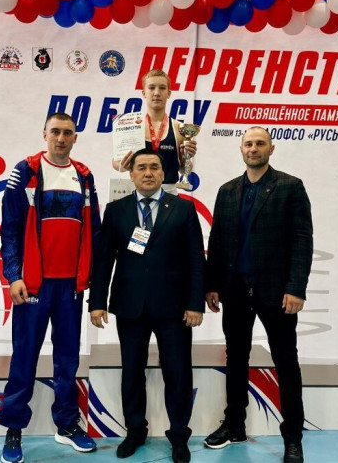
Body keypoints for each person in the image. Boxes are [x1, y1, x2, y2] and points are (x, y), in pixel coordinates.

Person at [203, 127, 313, 463]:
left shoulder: (290, 186)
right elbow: (217, 241)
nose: (253, 148)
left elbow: (302, 240)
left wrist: (295, 288)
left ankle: (292, 437)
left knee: (286, 363)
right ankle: (234, 425)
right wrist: (212, 284)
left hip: (277, 293)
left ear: (271, 149)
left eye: (260, 143)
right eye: (248, 143)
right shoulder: (227, 191)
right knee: (236, 359)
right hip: (235, 290)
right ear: (241, 149)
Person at [89, 148, 205, 463]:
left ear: (163, 173)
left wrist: (195, 304)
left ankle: (179, 435)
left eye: (154, 167)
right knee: (131, 372)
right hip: (130, 306)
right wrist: (97, 302)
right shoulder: (116, 210)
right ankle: (135, 431)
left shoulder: (183, 209)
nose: (148, 172)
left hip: (174, 308)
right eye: (141, 167)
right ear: (132, 174)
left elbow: (196, 260)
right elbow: (103, 260)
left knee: (178, 374)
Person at [0, 112, 101, 463]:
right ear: (44, 134)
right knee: (24, 358)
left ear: (75, 138)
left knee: (67, 359)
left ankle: (67, 424)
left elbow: (95, 230)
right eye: (55, 132)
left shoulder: (84, 176)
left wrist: (93, 281)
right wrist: (14, 275)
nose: (61, 138)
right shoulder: (25, 171)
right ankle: (14, 428)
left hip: (71, 286)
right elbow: (10, 229)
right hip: (33, 285)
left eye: (67, 133)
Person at [112, 69, 197, 193]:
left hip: (168, 194)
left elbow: (183, 170)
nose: (157, 93)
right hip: (139, 193)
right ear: (144, 93)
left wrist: (186, 158)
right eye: (151, 88)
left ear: (169, 93)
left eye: (162, 88)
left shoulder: (179, 128)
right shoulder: (130, 124)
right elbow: (116, 163)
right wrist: (123, 166)